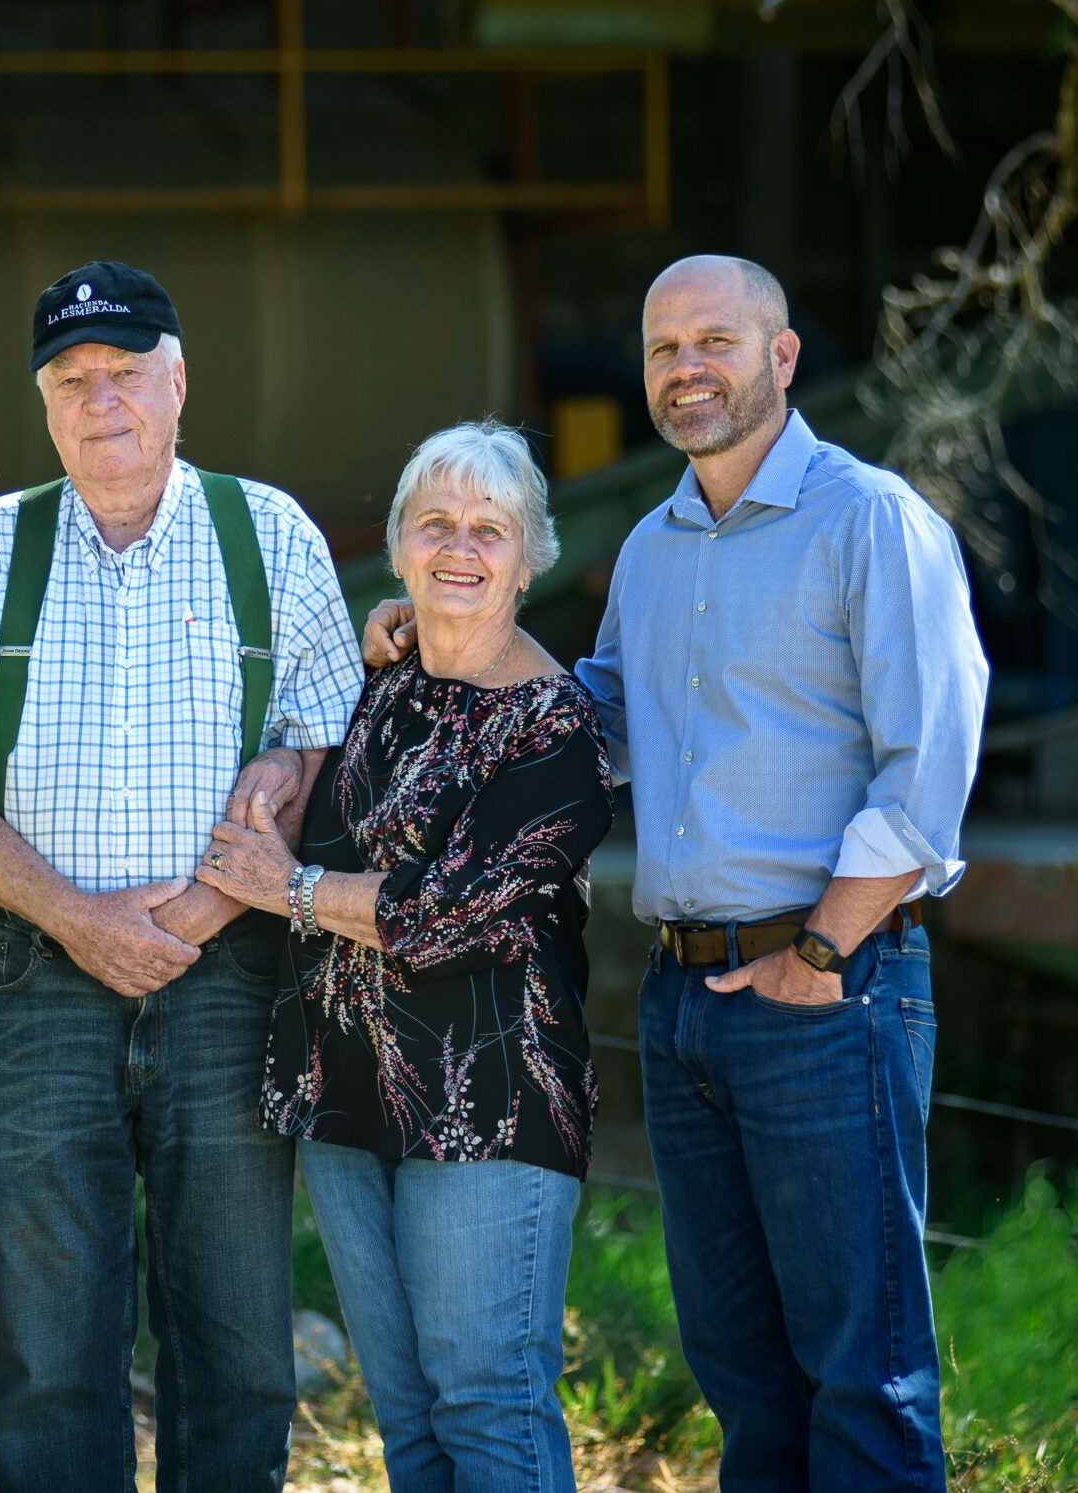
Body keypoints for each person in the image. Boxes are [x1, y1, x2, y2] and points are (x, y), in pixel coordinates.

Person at [363, 256, 988, 1492]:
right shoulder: (654, 547)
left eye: (716, 339)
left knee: (862, 1377)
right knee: (744, 1377)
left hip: (825, 986)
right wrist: (448, 629)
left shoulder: (869, 519)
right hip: (684, 1000)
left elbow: (928, 769)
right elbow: (597, 716)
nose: (687, 366)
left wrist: (820, 953)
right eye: (662, 348)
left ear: (783, 356)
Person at [0, 261, 365, 1492]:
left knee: (238, 1330)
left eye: (125, 372)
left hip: (231, 970)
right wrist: (76, 918)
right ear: (43, 405)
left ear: (179, 379)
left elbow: (316, 738)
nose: (102, 402)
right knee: (49, 1342)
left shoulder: (271, 533)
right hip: (34, 975)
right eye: (70, 380)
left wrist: (200, 907)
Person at [198, 420, 610, 1493]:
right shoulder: (370, 678)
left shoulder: (557, 727)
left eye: (490, 528)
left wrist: (282, 887)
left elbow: (446, 910)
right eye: (436, 524)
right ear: (398, 545)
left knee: (486, 1399)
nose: (460, 548)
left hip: (491, 1096)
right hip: (344, 1089)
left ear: (530, 558)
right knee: (409, 1418)